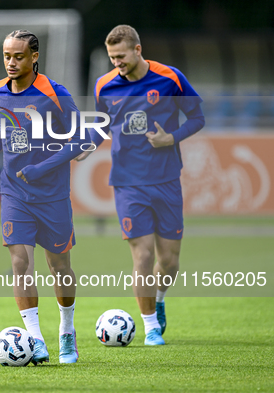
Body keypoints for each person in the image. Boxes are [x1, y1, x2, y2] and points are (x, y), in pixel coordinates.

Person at [77, 25, 205, 345]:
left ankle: (159, 298)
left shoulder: (170, 78)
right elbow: (103, 125)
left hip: (166, 179)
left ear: (138, 50)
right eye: (111, 58)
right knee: (142, 256)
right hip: (127, 183)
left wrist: (170, 138)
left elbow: (197, 117)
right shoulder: (104, 85)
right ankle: (150, 327)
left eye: (120, 56)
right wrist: (86, 145)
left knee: (170, 260)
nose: (116, 63)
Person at [0, 30, 90, 364]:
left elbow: (79, 140)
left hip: (53, 196)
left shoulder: (55, 94)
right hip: (14, 192)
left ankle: (67, 331)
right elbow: (3, 125)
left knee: (60, 266)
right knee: (20, 263)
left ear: (34, 57)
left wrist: (41, 168)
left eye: (19, 56)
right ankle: (35, 339)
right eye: (7, 56)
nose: (11, 62)